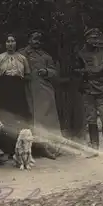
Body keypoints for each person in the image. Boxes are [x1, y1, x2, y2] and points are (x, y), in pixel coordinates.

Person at [19, 30, 62, 160]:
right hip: (27, 91)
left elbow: (55, 72)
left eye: (39, 40)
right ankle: (29, 149)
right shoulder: (21, 54)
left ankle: (49, 148)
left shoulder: (46, 56)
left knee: (47, 121)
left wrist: (47, 71)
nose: (36, 42)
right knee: (30, 119)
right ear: (29, 40)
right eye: (34, 39)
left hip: (44, 92)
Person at [0, 34, 32, 154]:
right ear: (5, 44)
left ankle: (18, 147)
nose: (10, 44)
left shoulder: (22, 58)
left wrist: (18, 81)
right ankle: (4, 148)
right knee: (4, 117)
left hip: (18, 90)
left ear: (16, 43)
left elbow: (28, 75)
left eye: (13, 41)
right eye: (8, 41)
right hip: (4, 89)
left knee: (18, 116)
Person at [74, 28, 103, 156]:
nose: (95, 41)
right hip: (88, 90)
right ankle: (94, 148)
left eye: (97, 38)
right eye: (92, 38)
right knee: (91, 119)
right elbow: (75, 70)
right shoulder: (81, 54)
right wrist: (85, 72)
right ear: (87, 39)